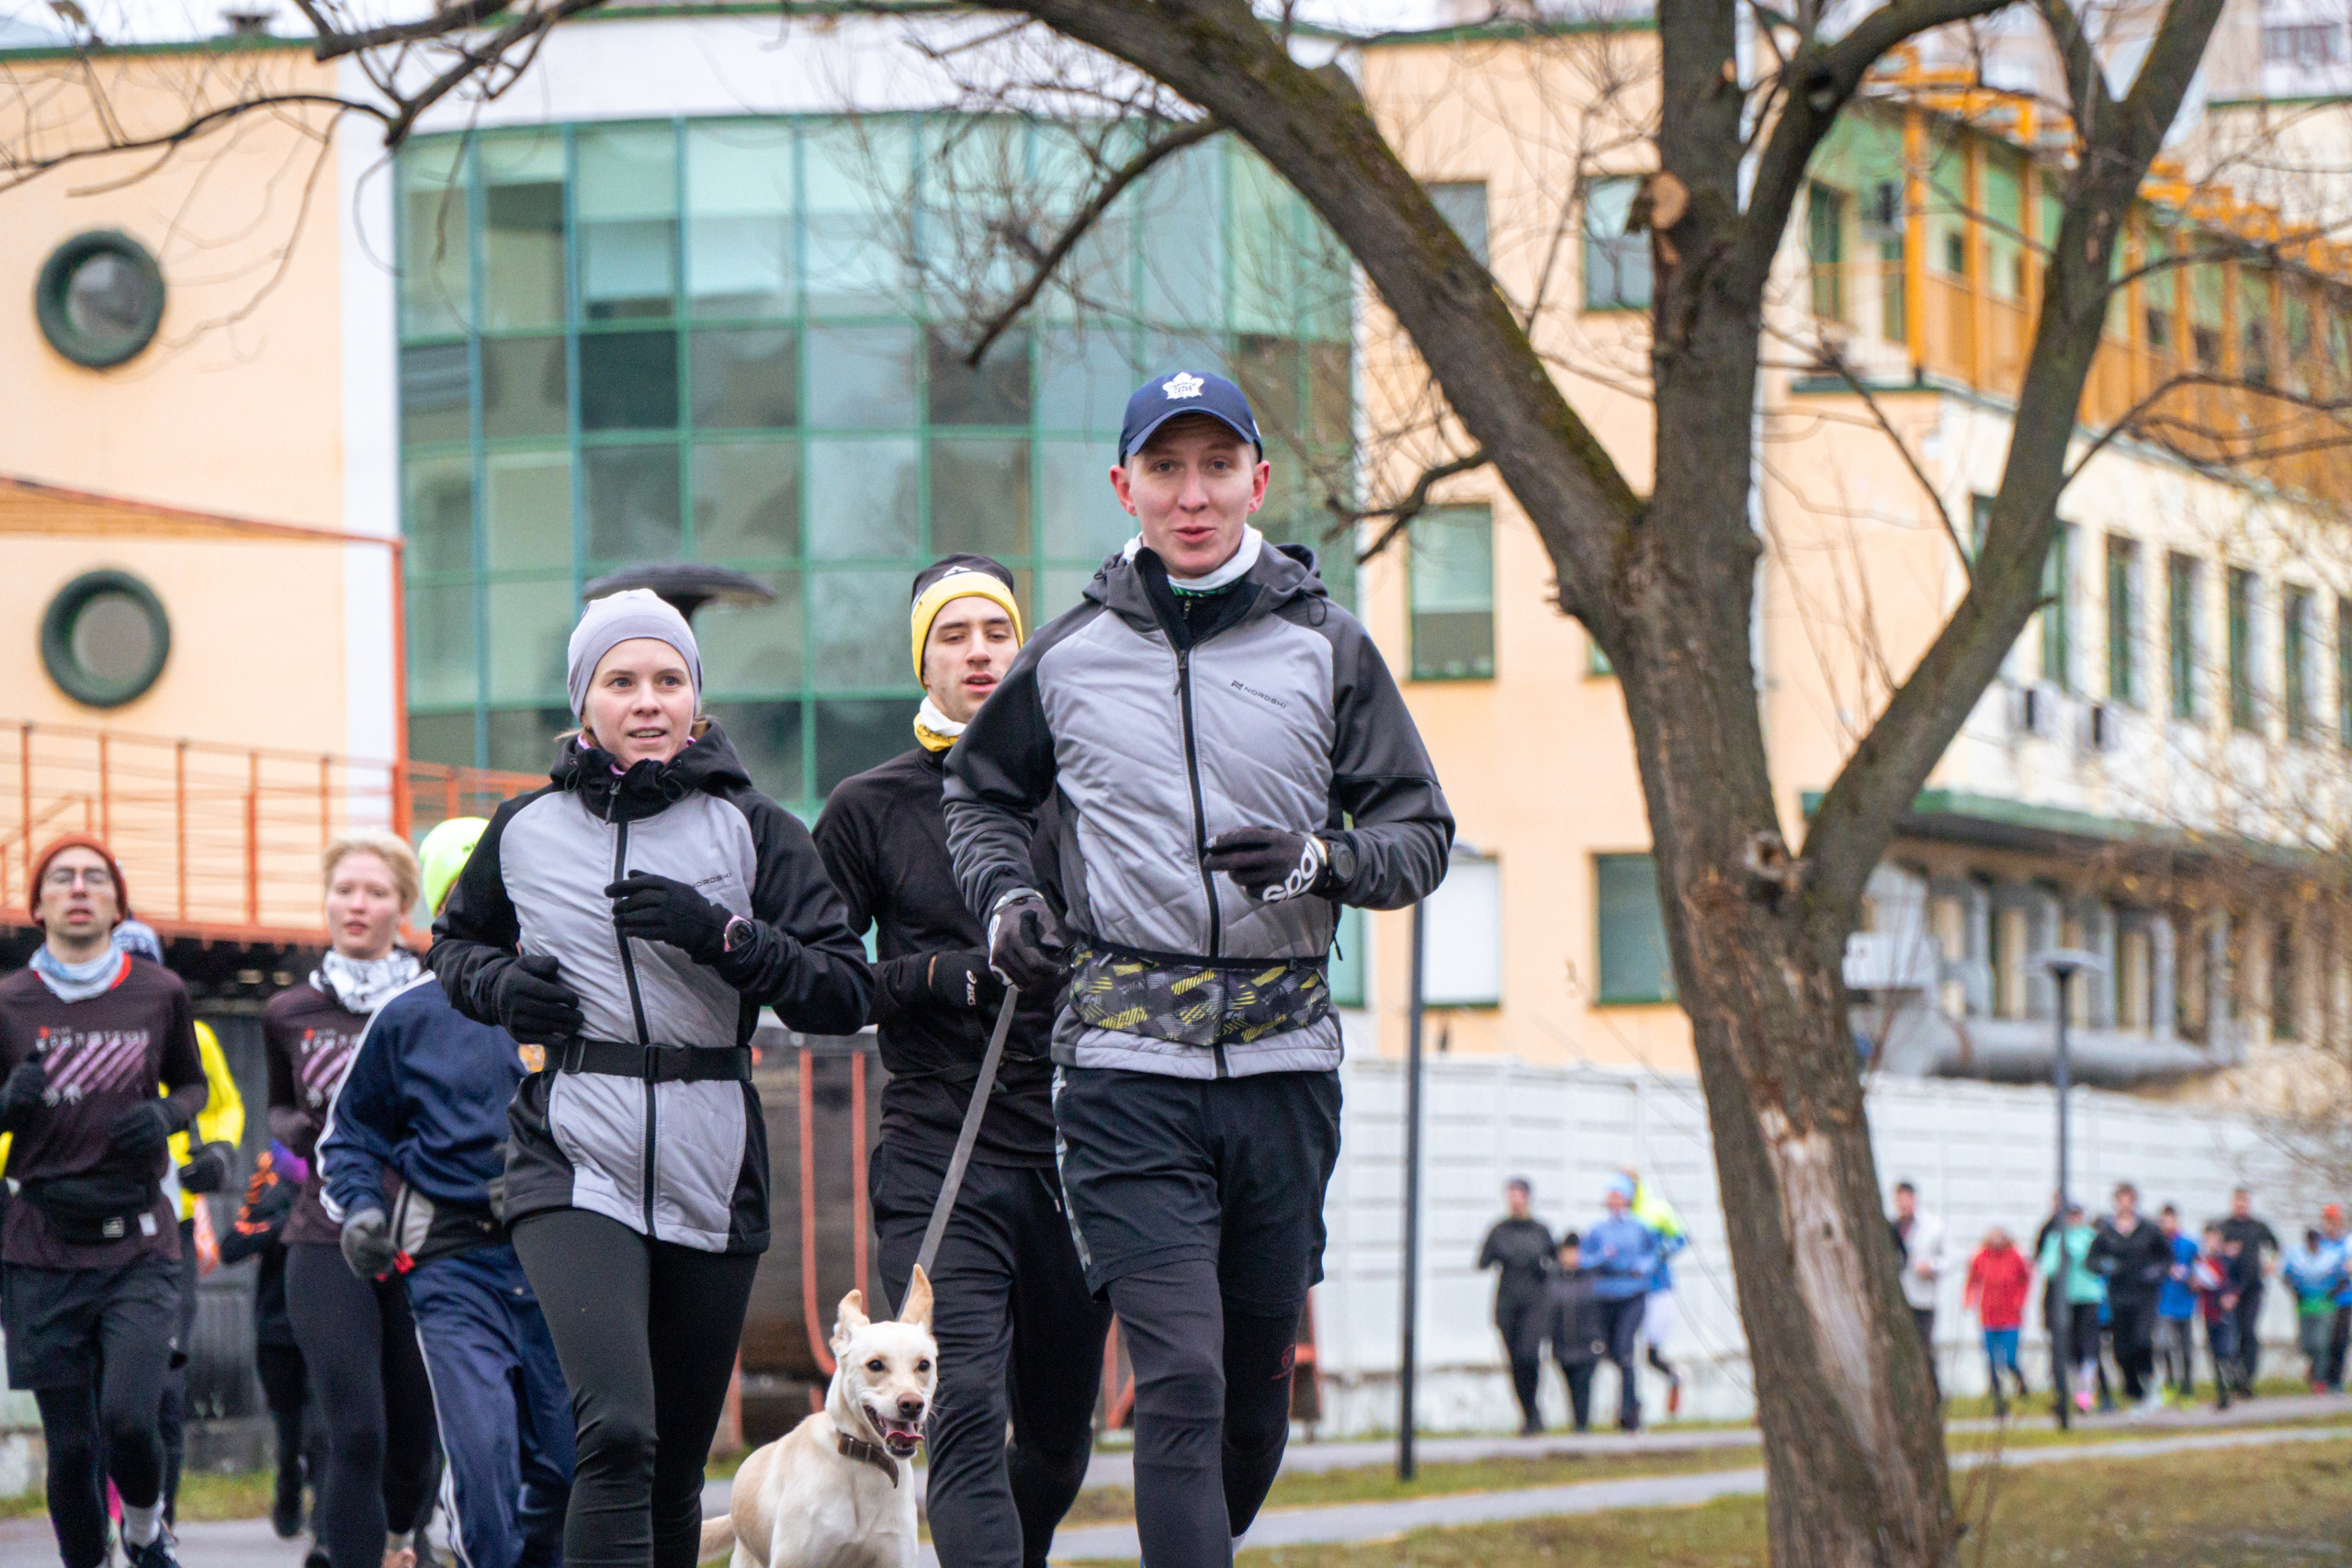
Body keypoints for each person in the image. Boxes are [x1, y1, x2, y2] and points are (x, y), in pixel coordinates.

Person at [942, 369, 1452, 1566]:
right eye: (1164, 469)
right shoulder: (1070, 653)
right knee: (1179, 1377)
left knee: (1251, 1406)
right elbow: (979, 795)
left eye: (1216, 466)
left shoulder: (1328, 646)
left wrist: (1322, 859)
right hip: (1122, 1069)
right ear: (1124, 486)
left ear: (1256, 481)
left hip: (1282, 1069)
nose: (1192, 494)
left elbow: (1421, 834)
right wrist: (1009, 901)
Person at [428, 588, 872, 1568]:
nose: (646, 701)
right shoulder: (525, 827)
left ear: (695, 699)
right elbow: (452, 948)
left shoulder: (756, 827)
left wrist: (725, 937)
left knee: (673, 1466)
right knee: (619, 1430)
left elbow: (843, 989)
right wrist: (503, 988)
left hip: (712, 1153)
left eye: (669, 680)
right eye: (620, 681)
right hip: (571, 1152)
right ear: (584, 702)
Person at [811, 555, 1112, 1568]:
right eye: (953, 634)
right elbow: (817, 983)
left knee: (1059, 1437)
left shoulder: (1084, 789)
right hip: (939, 1147)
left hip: (1077, 1148)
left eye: (997, 632)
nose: (979, 652)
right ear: (922, 659)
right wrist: (938, 975)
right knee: (964, 1412)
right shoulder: (868, 806)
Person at [322, 817, 576, 1568]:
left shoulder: (574, 1003)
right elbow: (350, 1134)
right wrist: (362, 1209)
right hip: (454, 1265)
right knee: (483, 1461)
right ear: (444, 903)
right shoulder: (407, 1017)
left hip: (563, 1258)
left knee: (568, 1469)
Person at [0, 836, 209, 1568]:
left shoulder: (160, 990)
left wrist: (167, 1114)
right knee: (72, 1445)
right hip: (41, 1243)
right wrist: (7, 1103)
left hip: (139, 1242)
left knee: (127, 1419)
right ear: (38, 904)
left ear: (118, 903)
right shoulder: (9, 999)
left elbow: (194, 1084)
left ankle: (145, 1530)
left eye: (96, 877)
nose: (79, 888)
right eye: (62, 877)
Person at [267, 831, 438, 1568]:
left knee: (414, 1435)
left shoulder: (435, 999)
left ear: (403, 906)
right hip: (324, 1233)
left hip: (424, 1233)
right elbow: (280, 1105)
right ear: (327, 901)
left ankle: (407, 1537)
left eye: (375, 891)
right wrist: (295, 1128)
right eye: (344, 889)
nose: (357, 904)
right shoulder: (287, 1010)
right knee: (356, 1430)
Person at [105, 921, 246, 1529]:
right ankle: (103, 1515)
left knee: (164, 1382)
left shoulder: (193, 1033)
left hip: (171, 1229)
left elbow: (224, 1105)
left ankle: (159, 1520)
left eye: (147, 968)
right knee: (100, 1393)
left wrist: (216, 1154)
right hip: (83, 1230)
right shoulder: (68, 1032)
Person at [218, 1140, 324, 1559]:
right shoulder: (270, 1175)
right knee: (289, 1428)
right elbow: (231, 1246)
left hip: (326, 1325)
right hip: (276, 1329)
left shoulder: (343, 1170)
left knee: (322, 1429)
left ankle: (325, 1520)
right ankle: (288, 1484)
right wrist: (286, 1224)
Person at [1475, 1179, 1555, 1436]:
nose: (1514, 1200)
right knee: (1515, 1362)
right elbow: (1482, 1261)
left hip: (1534, 1304)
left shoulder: (1540, 1230)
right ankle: (1529, 1415)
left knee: (1529, 1356)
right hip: (1508, 1304)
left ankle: (1533, 1409)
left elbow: (1554, 1262)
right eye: (1511, 1195)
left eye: (1518, 1195)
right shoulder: (1499, 1230)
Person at [1582, 1174, 1660, 1431]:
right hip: (1605, 1294)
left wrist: (1642, 1267)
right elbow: (1584, 1259)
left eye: (1618, 1196)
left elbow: (1654, 1254)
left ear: (1627, 1199)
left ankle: (1630, 1411)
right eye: (1610, 1196)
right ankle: (1626, 1403)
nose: (1613, 1200)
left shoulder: (1640, 1227)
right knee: (1607, 1350)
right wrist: (1601, 1258)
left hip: (1632, 1294)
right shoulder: (1598, 1229)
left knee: (1625, 1349)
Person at [2089, 1182, 2171, 1416]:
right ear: (2116, 1202)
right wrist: (2105, 1265)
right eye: (2121, 1200)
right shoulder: (2107, 1233)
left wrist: (2156, 1271)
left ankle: (2148, 1376)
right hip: (2119, 1296)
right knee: (2121, 1348)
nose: (2125, 1205)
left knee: (2142, 1339)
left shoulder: (2148, 1229)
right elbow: (2091, 1260)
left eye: (2129, 1200)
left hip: (2145, 1295)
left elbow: (2166, 1257)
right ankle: (2132, 1385)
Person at [1629, 1171, 1689, 1417]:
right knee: (1626, 1351)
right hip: (1628, 1291)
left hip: (1657, 1289)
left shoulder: (1657, 1210)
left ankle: (1674, 1376)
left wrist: (1659, 1253)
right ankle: (1631, 1408)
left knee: (1650, 1354)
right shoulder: (1619, 1214)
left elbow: (1682, 1238)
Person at [2038, 1202, 2105, 1414]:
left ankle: (2088, 1390)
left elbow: (2098, 1263)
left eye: (2077, 1215)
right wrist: (2064, 1257)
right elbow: (2048, 1266)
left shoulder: (2092, 1237)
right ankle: (2078, 1393)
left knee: (2089, 1344)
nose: (2074, 1219)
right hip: (2066, 1298)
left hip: (2089, 1297)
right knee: (2071, 1346)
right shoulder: (2056, 1238)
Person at [2215, 1188, 2280, 1394]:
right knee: (2231, 1333)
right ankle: (2235, 1377)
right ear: (2232, 1204)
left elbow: (2276, 1245)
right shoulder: (2224, 1227)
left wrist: (2272, 1263)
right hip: (2230, 1289)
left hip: (2253, 1287)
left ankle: (2248, 1378)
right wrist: (2225, 1250)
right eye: (2238, 1203)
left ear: (2248, 1204)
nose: (2241, 1207)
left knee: (2249, 1331)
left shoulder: (2258, 1226)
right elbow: (2211, 1250)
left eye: (2244, 1203)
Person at [1962, 1226, 2031, 1415]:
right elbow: (1972, 1280)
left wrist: (2019, 1301)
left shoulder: (2015, 1256)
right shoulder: (1981, 1257)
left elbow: (2025, 1280)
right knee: (1991, 1359)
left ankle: (2021, 1383)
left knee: (2009, 1358)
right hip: (1988, 1315)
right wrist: (1969, 1299)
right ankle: (1997, 1398)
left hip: (2010, 1316)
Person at [1887, 1181, 1947, 1392]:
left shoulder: (1933, 1226)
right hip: (1900, 1297)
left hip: (1924, 1298)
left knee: (1924, 1347)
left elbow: (1949, 1258)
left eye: (1907, 1199)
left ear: (1914, 1198)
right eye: (1899, 1199)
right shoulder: (1891, 1226)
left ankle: (1933, 1392)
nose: (1903, 1204)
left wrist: (1931, 1266)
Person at [1545, 1233, 1607, 1432]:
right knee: (1570, 1386)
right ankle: (1577, 1423)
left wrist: (1600, 1338)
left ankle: (1582, 1424)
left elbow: (1601, 1312)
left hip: (1587, 1343)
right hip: (1562, 1344)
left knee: (1584, 1384)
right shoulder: (1553, 1280)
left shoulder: (1592, 1278)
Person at [2281, 1226, 2346, 1392]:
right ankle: (2313, 1369)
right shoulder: (2297, 1257)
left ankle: (2320, 1380)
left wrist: (2332, 1294)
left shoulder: (2331, 1257)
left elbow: (2343, 1279)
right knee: (2307, 1345)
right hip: (2305, 1307)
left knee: (2321, 1344)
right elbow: (2286, 1276)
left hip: (2325, 1307)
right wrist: (2296, 1292)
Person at [2192, 1222, 2245, 1411]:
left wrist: (2232, 1296)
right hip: (2208, 1312)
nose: (2211, 1243)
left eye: (2214, 1239)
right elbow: (2195, 1285)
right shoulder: (2201, 1262)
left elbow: (2238, 1281)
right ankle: (2222, 1393)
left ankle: (2236, 1383)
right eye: (2208, 1239)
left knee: (2227, 1351)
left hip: (2224, 1312)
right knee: (2214, 1354)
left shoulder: (2227, 1261)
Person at [2154, 1205, 2200, 1403]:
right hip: (2163, 1304)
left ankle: (2187, 1385)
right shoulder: (2156, 1245)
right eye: (2163, 1222)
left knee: (2186, 1348)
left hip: (2185, 1303)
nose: (2167, 1225)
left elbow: (2201, 1267)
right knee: (2163, 1345)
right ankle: (2170, 1379)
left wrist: (2192, 1278)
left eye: (2170, 1221)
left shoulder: (2189, 1244)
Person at [2322, 1205, 2350, 1393]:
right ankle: (2320, 1377)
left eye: (2335, 1220)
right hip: (2322, 1299)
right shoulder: (2320, 1243)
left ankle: (2336, 1380)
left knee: (2340, 1339)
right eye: (2329, 1220)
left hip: (2344, 1298)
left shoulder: (2346, 1243)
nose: (2332, 1224)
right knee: (2323, 1340)